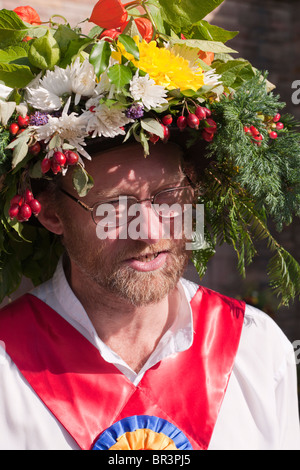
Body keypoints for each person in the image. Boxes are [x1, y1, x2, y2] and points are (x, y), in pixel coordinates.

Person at [0, 1, 300, 451]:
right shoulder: (6, 367)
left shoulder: (257, 351)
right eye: (115, 206)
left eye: (168, 197)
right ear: (50, 213)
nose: (151, 231)